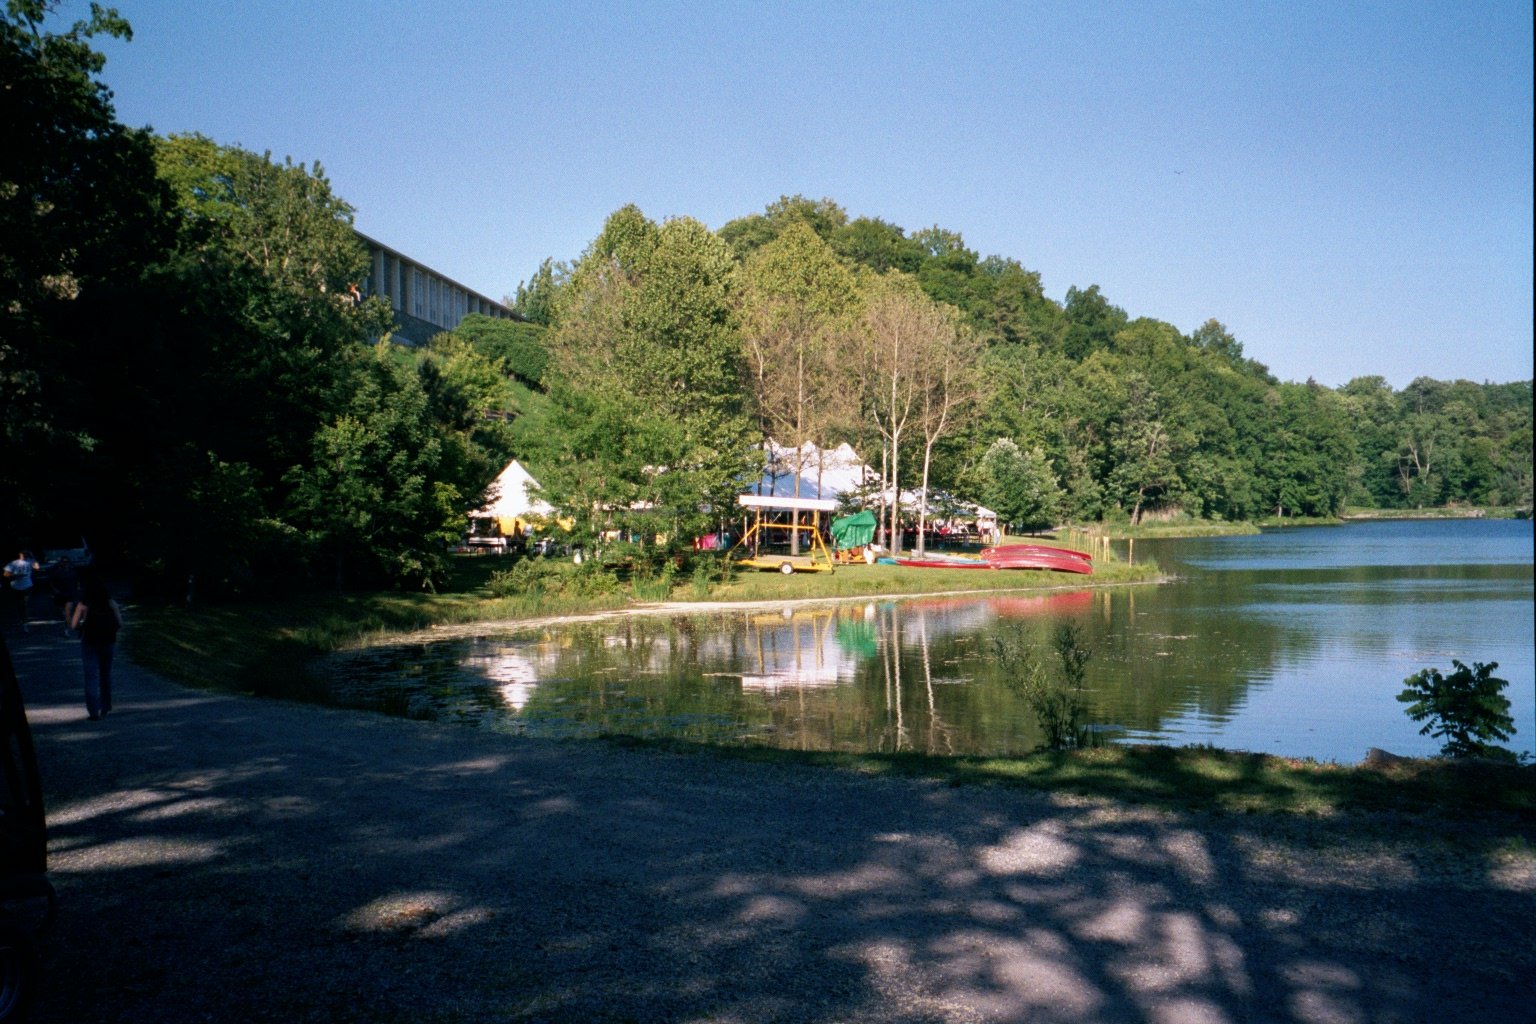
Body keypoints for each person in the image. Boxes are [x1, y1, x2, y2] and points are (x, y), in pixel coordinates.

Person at [69, 576, 122, 720]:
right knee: (105, 675)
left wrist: (83, 624)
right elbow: (120, 622)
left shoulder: (83, 604)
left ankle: (93, 711)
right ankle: (105, 706)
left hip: (89, 642)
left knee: (91, 676)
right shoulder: (110, 602)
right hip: (107, 641)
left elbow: (73, 626)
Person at [3, 549, 39, 632]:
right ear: (19, 555)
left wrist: (32, 557)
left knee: (24, 603)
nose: (24, 555)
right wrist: (16, 574)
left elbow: (37, 568)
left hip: (27, 586)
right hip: (16, 586)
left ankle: (25, 621)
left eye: (26, 554)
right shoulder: (13, 563)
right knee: (20, 604)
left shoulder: (30, 561)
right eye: (22, 554)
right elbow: (5, 574)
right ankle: (23, 619)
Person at [49, 554, 81, 633]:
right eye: (63, 562)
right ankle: (69, 624)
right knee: (63, 612)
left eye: (67, 562)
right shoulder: (56, 572)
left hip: (70, 594)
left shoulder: (73, 571)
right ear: (60, 563)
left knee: (68, 611)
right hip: (60, 595)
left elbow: (77, 582)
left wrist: (77, 590)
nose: (65, 563)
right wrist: (55, 590)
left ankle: (69, 628)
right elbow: (51, 583)